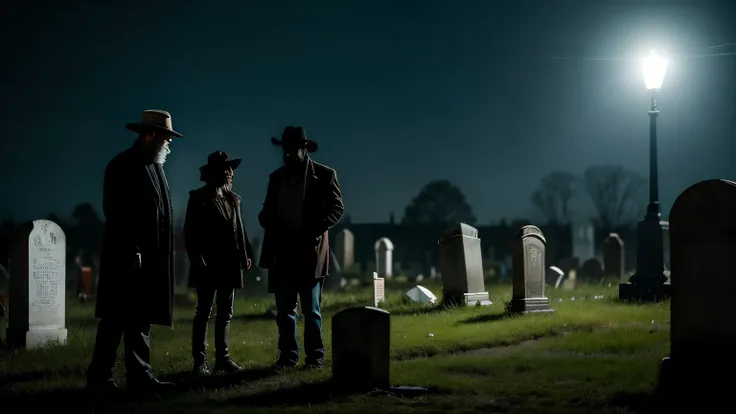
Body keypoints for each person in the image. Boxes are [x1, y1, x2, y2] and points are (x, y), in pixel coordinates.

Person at [85, 109, 181, 398]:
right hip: (126, 257)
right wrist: (132, 247)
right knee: (116, 318)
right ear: (149, 135)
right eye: (165, 138)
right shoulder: (123, 165)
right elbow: (116, 212)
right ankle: (99, 379)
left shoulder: (154, 167)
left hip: (150, 259)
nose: (168, 144)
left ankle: (139, 376)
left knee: (140, 317)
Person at [258, 126, 344, 370]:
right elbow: (268, 211)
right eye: (285, 148)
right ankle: (288, 356)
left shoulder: (324, 175)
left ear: (304, 149)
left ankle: (315, 357)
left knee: (311, 310)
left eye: (293, 148)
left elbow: (337, 209)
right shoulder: (276, 178)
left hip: (309, 251)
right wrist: (266, 219)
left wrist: (315, 229)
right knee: (285, 310)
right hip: (282, 252)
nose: (288, 153)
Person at [184, 151, 253, 376]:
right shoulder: (199, 198)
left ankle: (222, 358)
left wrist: (245, 253)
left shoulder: (233, 198)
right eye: (225, 169)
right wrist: (196, 257)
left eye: (230, 169)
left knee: (226, 311)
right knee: (204, 311)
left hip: (230, 263)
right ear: (214, 173)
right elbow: (190, 231)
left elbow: (239, 228)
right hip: (208, 263)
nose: (230, 173)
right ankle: (199, 362)